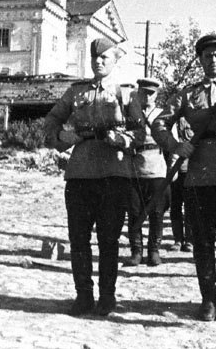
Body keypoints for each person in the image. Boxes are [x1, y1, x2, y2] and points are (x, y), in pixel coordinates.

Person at [152, 33, 216, 322]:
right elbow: (160, 122)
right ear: (200, 60)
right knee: (202, 241)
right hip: (200, 175)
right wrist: (175, 145)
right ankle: (208, 300)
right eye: (207, 55)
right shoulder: (189, 94)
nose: (212, 60)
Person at [44, 38, 143, 317]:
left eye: (105, 58)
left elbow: (141, 134)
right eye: (95, 58)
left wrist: (121, 139)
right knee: (78, 239)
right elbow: (50, 122)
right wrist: (64, 136)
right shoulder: (75, 92)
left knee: (109, 240)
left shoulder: (127, 94)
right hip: (80, 174)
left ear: (115, 61)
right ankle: (83, 296)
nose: (98, 62)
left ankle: (107, 297)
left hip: (113, 174)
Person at [125, 77, 168, 267]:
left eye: (151, 93)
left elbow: (171, 143)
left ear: (157, 95)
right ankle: (136, 251)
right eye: (143, 92)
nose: (147, 96)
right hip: (135, 168)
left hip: (157, 168)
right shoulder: (130, 114)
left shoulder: (163, 114)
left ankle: (154, 251)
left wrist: (172, 171)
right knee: (134, 212)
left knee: (157, 213)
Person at [168, 117, 193, 253]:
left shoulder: (194, 118)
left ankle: (189, 240)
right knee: (175, 205)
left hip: (191, 168)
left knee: (190, 206)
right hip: (175, 169)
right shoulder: (173, 119)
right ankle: (178, 239)